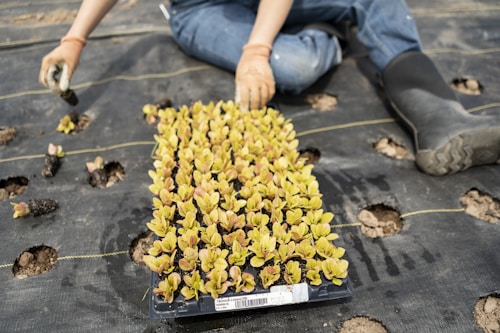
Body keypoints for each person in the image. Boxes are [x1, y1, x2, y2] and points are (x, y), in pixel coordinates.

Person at [39, 0, 500, 176]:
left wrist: (255, 49)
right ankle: (326, 33)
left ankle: (439, 115)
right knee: (293, 65)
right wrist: (73, 40)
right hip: (200, 7)